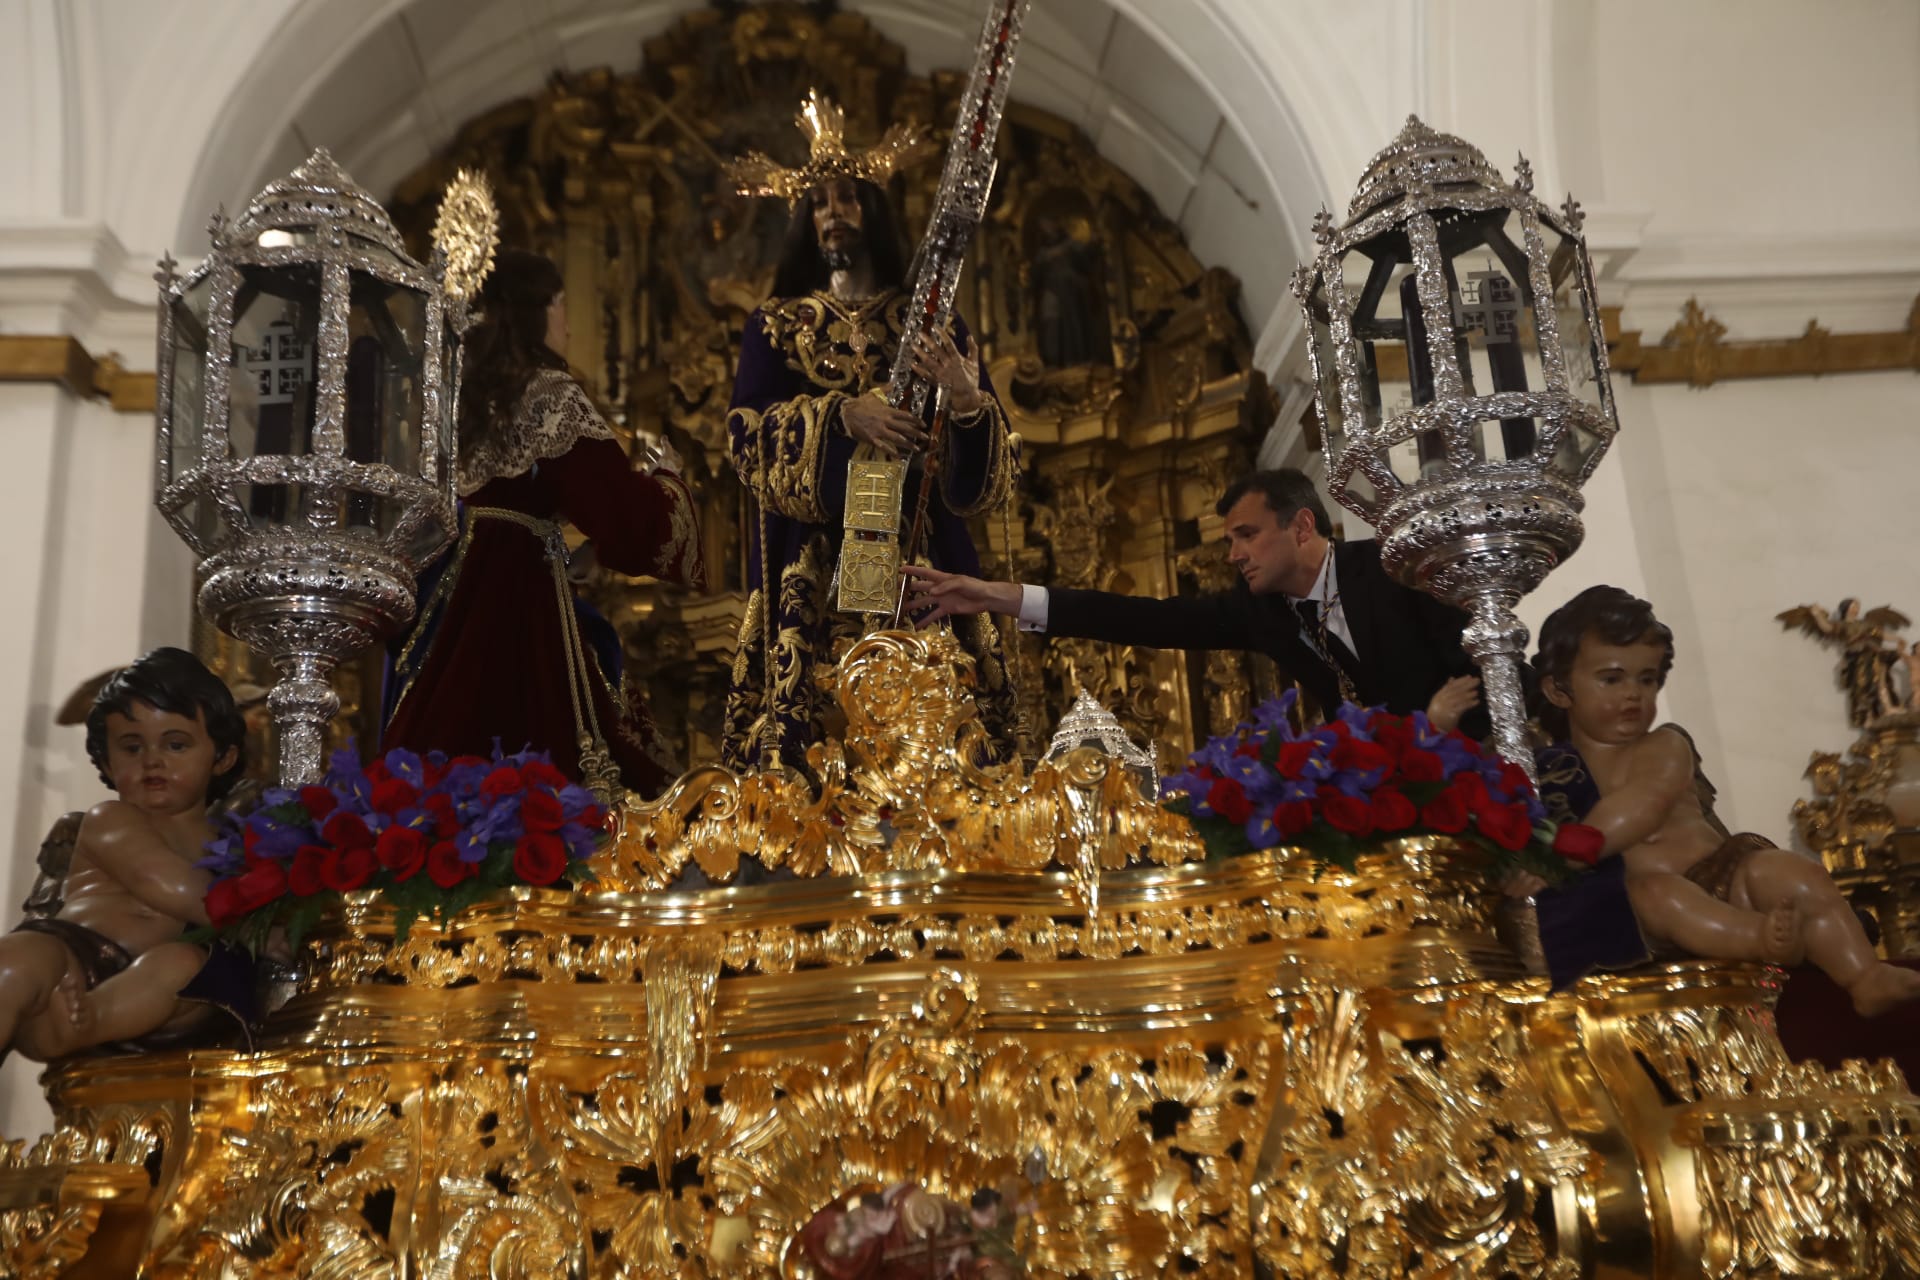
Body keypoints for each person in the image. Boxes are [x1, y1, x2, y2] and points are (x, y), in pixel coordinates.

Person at [721, 92, 1020, 773]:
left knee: (949, 738)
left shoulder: (934, 320)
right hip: (817, 560)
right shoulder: (776, 324)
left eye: (849, 199)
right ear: (805, 220)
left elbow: (991, 469)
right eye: (821, 202)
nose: (834, 213)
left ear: (873, 213)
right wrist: (840, 416)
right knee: (811, 746)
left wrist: (967, 400)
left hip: (920, 543)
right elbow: (744, 433)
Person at [382, 249, 704, 800]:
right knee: (555, 745)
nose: (569, 324)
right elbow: (623, 518)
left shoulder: (462, 403)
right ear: (535, 313)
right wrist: (668, 483)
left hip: (456, 592)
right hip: (519, 594)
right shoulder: (549, 395)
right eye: (560, 306)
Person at [1530, 585, 1920, 1015]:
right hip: (1645, 906)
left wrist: (1560, 856)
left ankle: (1864, 976)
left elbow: (1641, 807)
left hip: (1723, 873)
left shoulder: (1664, 744)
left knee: (1790, 872)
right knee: (1656, 893)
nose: (1633, 695)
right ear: (1558, 691)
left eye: (1648, 679)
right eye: (1611, 678)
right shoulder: (1552, 770)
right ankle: (1764, 940)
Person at [902, 468, 1485, 733]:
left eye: (1246, 535)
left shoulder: (1395, 568)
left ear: (1302, 527)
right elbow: (1142, 620)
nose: (1233, 554)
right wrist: (995, 596)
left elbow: (1483, 678)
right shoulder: (1260, 610)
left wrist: (1439, 729)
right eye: (1229, 539)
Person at [0, 648, 248, 1060]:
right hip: (71, 958)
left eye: (175, 744)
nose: (152, 760)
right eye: (132, 748)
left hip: (142, 1000)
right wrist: (259, 921)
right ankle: (60, 1018)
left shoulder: (232, 842)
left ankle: (86, 1022)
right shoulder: (111, 818)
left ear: (223, 757)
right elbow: (168, 885)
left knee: (188, 966)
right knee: (15, 961)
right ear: (106, 761)